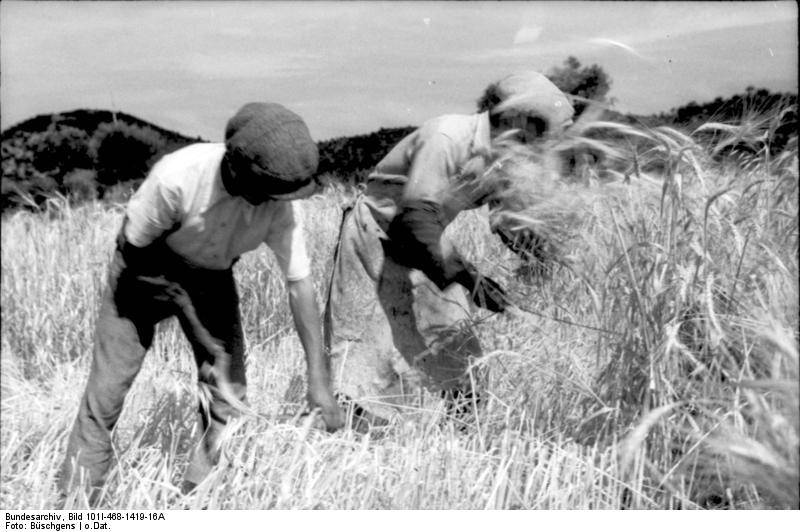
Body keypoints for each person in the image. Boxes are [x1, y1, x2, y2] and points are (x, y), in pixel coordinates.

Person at [59, 102, 344, 501]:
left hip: (212, 277)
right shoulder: (177, 177)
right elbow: (132, 246)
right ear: (240, 172)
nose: (279, 201)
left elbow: (300, 285)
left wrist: (319, 381)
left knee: (229, 401)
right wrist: (179, 300)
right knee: (104, 398)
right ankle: (71, 510)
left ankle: (197, 503)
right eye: (269, 193)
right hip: (140, 272)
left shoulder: (279, 204)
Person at [325, 72, 575, 422]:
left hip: (427, 243)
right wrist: (470, 280)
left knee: (457, 346)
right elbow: (415, 220)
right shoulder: (448, 137)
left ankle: (461, 432)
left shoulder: (503, 156)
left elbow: (507, 217)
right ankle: (357, 435)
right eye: (540, 130)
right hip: (375, 237)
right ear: (517, 118)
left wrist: (539, 253)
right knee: (365, 348)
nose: (541, 144)